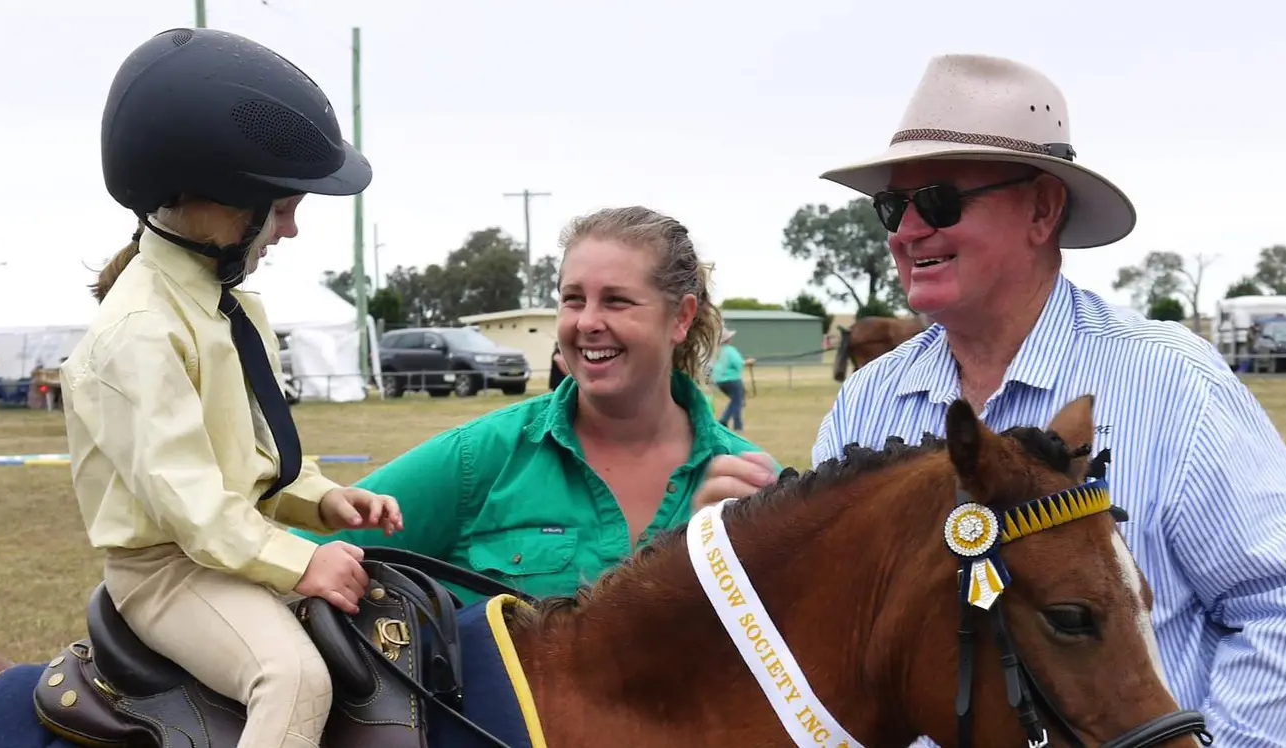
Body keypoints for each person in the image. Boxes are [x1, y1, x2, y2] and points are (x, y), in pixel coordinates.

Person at [809, 54, 1286, 748]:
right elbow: (835, 648)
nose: (907, 230)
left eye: (939, 200)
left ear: (1042, 209)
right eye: (893, 206)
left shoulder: (1171, 382)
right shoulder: (868, 404)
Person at [59, 28, 402, 748]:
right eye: (281, 208)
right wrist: (302, 558)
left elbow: (257, 453)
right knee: (293, 679)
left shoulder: (237, 309)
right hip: (167, 574)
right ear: (216, 201)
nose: (293, 229)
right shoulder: (139, 332)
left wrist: (323, 498)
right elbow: (191, 507)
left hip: (234, 544)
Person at [293, 206, 781, 602]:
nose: (587, 321)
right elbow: (310, 553)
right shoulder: (478, 459)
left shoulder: (748, 492)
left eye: (616, 301)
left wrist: (735, 554)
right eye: (573, 299)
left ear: (681, 318)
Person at [709, 328, 753, 431]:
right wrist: (748, 362)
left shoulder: (716, 352)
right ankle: (724, 421)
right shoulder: (730, 350)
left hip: (719, 380)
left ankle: (738, 426)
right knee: (737, 402)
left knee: (736, 401)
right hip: (732, 379)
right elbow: (737, 363)